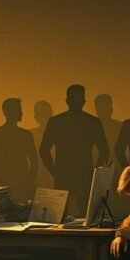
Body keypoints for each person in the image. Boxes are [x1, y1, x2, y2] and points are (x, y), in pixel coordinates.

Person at [39, 85, 109, 215]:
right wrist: (95, 171)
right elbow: (104, 150)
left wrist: (54, 171)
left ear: (67, 101)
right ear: (84, 101)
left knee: (61, 215)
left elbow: (44, 150)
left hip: (65, 173)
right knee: (86, 215)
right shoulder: (93, 122)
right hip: (84, 174)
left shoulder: (56, 121)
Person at [0, 98, 38, 202]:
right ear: (9, 112)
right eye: (19, 110)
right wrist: (30, 180)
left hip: (6, 181)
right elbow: (34, 162)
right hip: (21, 180)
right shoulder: (25, 135)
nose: (22, 113)